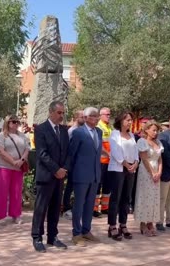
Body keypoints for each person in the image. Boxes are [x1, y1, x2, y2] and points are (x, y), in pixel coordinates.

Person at [31, 101, 70, 253]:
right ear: (51, 112)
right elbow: (42, 154)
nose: (61, 116)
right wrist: (56, 169)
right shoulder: (41, 129)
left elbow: (67, 153)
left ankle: (52, 237)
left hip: (59, 176)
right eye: (59, 113)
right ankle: (37, 237)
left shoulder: (64, 130)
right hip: (46, 175)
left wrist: (64, 169)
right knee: (41, 208)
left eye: (63, 113)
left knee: (55, 209)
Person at [69, 107, 102, 246]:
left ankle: (86, 230)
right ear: (87, 117)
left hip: (95, 174)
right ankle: (76, 233)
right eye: (94, 116)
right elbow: (72, 153)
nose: (96, 118)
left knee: (90, 204)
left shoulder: (98, 132)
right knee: (79, 204)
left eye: (97, 116)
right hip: (81, 174)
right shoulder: (78, 133)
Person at [107, 111, 138, 241]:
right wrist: (125, 164)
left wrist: (136, 163)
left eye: (131, 120)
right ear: (120, 121)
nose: (130, 122)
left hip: (131, 169)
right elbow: (115, 151)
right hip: (118, 169)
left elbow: (135, 151)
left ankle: (123, 224)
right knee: (116, 198)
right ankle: (112, 226)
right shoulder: (115, 134)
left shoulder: (131, 135)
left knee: (127, 197)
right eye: (127, 120)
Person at [0, 115, 30, 225]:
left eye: (17, 122)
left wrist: (21, 160)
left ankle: (16, 214)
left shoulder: (23, 136)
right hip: (4, 167)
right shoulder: (2, 135)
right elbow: (1, 151)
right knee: (2, 191)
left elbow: (27, 149)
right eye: (13, 121)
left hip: (18, 167)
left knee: (16, 191)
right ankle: (0, 215)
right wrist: (13, 161)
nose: (15, 123)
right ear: (7, 122)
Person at [135, 120, 163, 237]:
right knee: (144, 196)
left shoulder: (159, 143)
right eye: (153, 130)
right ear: (146, 130)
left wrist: (159, 172)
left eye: (157, 130)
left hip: (156, 171)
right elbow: (144, 159)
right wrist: (152, 173)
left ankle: (151, 222)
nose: (155, 133)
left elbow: (160, 159)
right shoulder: (142, 142)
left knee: (154, 197)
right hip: (146, 172)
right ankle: (142, 223)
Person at [63, 110, 85, 220]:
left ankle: (76, 207)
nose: (84, 118)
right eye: (82, 117)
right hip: (73, 163)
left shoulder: (83, 130)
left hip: (81, 163)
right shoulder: (72, 131)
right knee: (70, 186)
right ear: (76, 118)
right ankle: (66, 208)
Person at [95, 107, 113, 216]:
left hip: (109, 162)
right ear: (101, 115)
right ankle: (94, 208)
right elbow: (99, 144)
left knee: (107, 185)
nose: (109, 116)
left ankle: (105, 207)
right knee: (98, 185)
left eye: (110, 114)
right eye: (107, 114)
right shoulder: (99, 127)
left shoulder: (109, 127)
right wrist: (108, 153)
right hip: (101, 160)